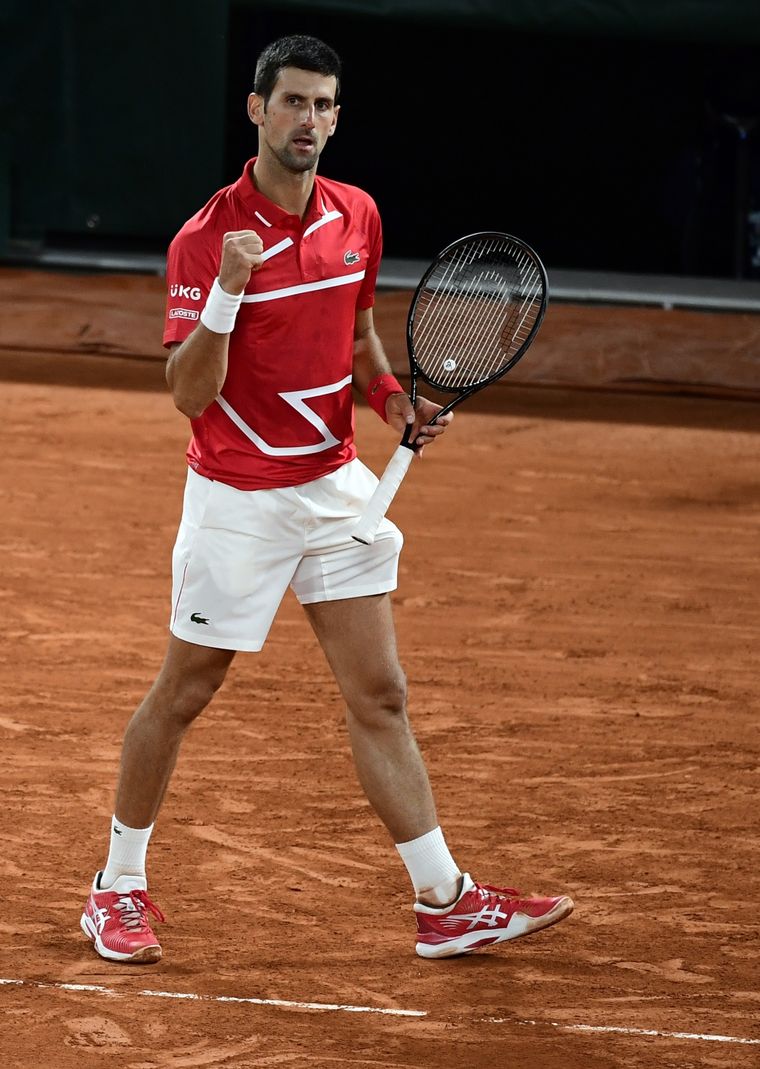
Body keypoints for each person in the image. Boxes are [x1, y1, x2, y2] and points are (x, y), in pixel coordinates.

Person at [80, 34, 573, 964]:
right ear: (257, 110)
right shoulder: (207, 237)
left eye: (326, 105)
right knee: (187, 686)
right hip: (238, 498)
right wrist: (229, 288)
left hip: (333, 490)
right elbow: (189, 392)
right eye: (294, 102)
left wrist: (394, 403)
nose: (310, 120)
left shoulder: (358, 215)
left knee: (380, 693)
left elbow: (355, 335)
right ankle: (117, 885)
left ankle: (443, 900)